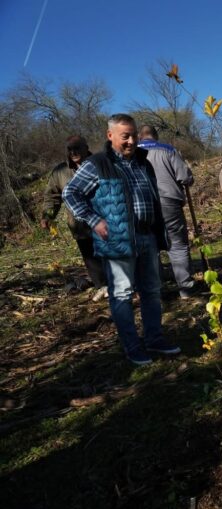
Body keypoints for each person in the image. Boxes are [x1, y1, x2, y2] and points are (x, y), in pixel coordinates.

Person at [63, 113, 180, 365]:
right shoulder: (97, 164)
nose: (130, 141)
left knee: (151, 290)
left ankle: (154, 339)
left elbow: (153, 199)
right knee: (123, 294)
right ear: (110, 136)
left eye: (134, 135)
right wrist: (93, 220)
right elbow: (70, 193)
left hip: (146, 236)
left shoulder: (143, 162)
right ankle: (132, 346)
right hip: (117, 241)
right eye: (125, 136)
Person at [41, 135, 107, 301]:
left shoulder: (100, 163)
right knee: (90, 256)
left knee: (111, 252)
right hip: (79, 223)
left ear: (86, 147)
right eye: (70, 149)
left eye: (77, 148)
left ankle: (122, 283)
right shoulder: (60, 172)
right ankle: (102, 286)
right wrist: (47, 215)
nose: (73, 152)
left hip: (104, 219)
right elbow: (52, 196)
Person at [137, 125, 196, 298]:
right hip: (169, 202)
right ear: (156, 136)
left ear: (140, 137)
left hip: (143, 204)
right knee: (177, 245)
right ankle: (185, 288)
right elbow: (185, 177)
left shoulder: (132, 152)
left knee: (151, 247)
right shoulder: (168, 149)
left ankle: (157, 289)